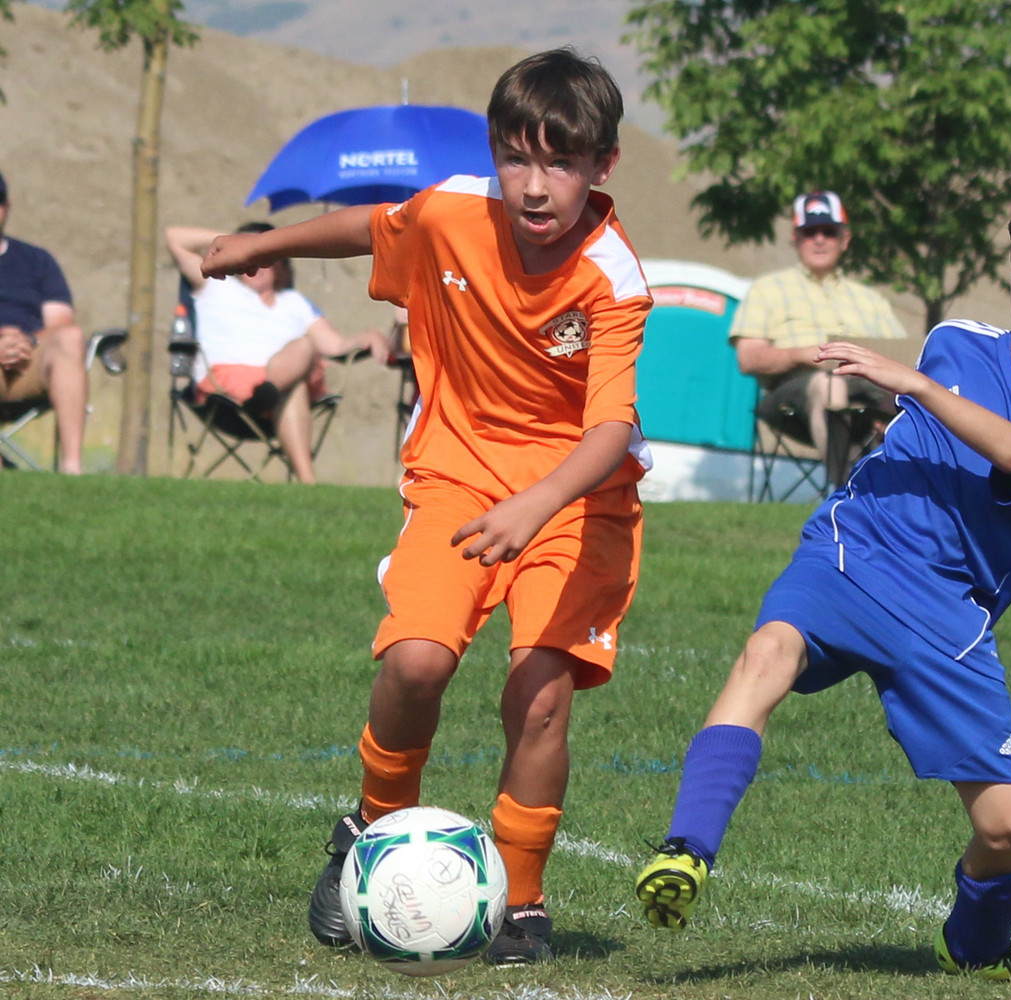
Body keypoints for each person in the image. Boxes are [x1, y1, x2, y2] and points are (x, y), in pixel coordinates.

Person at [200, 48, 651, 966]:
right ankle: (371, 831)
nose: (534, 186)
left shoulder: (614, 279)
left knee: (539, 695)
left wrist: (537, 503)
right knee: (414, 664)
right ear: (493, 153)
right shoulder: (452, 212)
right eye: (516, 158)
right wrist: (267, 245)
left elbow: (611, 428)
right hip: (456, 475)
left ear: (602, 165)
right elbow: (372, 227)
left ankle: (522, 902)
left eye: (560, 164)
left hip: (577, 498)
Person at [635, 181, 1011, 989]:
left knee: (1009, 827)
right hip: (856, 548)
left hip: (947, 613)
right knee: (767, 652)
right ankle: (684, 851)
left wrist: (917, 388)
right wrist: (908, 386)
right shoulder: (956, 341)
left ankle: (974, 946)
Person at [165, 222, 390, 484]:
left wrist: (369, 336)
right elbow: (174, 237)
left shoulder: (294, 302)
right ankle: (307, 482)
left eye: (264, 258)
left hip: (276, 389)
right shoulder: (216, 285)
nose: (257, 266)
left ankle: (268, 393)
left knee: (305, 348)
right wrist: (240, 241)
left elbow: (336, 347)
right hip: (225, 391)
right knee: (295, 382)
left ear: (280, 264)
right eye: (250, 257)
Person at [730, 190, 908, 487]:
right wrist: (802, 354)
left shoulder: (871, 299)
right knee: (828, 385)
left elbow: (906, 357)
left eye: (829, 231)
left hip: (867, 385)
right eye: (810, 231)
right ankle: (848, 490)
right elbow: (748, 358)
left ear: (845, 239)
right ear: (795, 238)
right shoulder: (767, 289)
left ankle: (914, 495)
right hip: (795, 388)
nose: (820, 239)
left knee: (916, 395)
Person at [0, 168, 91, 474]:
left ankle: (72, 471)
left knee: (70, 338)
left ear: (7, 207)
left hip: (28, 362)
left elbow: (61, 322)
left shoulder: (36, 261)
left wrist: (24, 342)